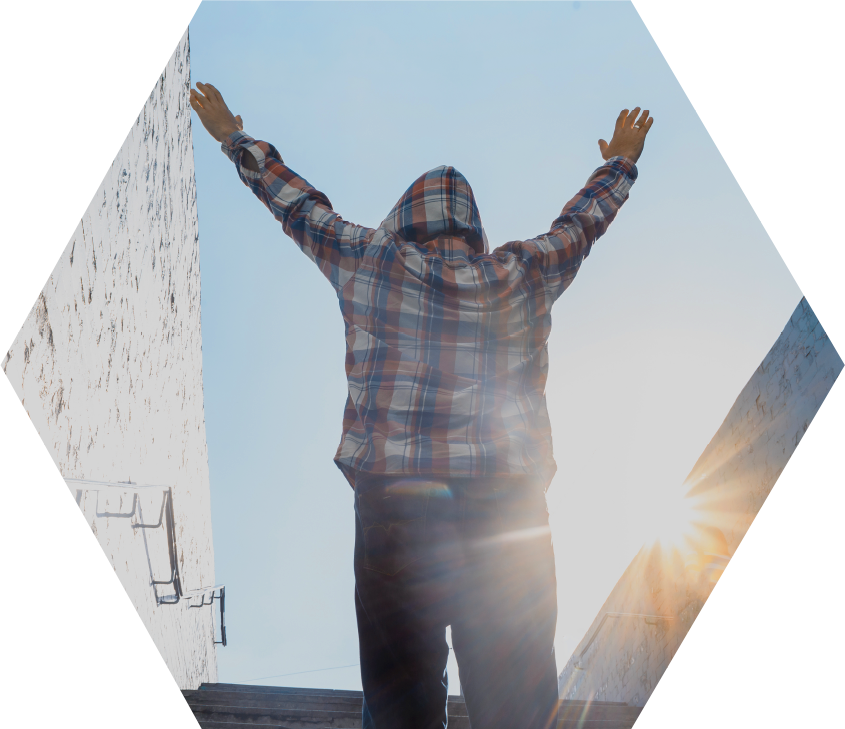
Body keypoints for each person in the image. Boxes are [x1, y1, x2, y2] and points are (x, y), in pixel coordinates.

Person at [190, 82, 652, 729]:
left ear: (405, 218)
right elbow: (580, 226)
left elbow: (298, 205)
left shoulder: (371, 261)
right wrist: (619, 162)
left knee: (401, 693)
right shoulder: (519, 273)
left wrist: (233, 137)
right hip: (505, 513)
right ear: (471, 229)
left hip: (395, 508)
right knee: (515, 701)